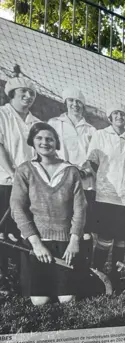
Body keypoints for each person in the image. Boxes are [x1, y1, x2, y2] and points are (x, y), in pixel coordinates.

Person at [10, 123, 86, 305]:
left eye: (50, 139)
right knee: (39, 302)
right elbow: (17, 208)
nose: (45, 142)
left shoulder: (71, 171)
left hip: (64, 244)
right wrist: (35, 243)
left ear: (56, 143)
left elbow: (80, 208)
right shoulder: (25, 170)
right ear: (32, 142)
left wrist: (74, 241)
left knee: (67, 299)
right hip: (37, 243)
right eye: (40, 138)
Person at [81, 103, 125, 281]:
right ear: (110, 117)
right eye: (115, 114)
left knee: (122, 239)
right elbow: (91, 162)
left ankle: (114, 274)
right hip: (106, 194)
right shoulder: (100, 135)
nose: (119, 117)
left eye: (122, 114)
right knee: (105, 237)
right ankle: (97, 272)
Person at [48, 87, 96, 264]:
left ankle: (83, 266)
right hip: (61, 182)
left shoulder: (91, 130)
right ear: (65, 102)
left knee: (84, 229)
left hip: (85, 184)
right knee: (62, 223)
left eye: (79, 102)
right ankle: (60, 263)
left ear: (83, 106)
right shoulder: (54, 123)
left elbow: (94, 158)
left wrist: (84, 171)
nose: (75, 105)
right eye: (71, 101)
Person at [0, 77, 40, 287]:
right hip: (4, 182)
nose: (28, 96)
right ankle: (1, 277)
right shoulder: (2, 114)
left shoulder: (35, 122)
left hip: (28, 185)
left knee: (20, 230)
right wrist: (14, 173)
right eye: (23, 92)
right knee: (1, 231)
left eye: (31, 93)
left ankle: (19, 276)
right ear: (12, 94)